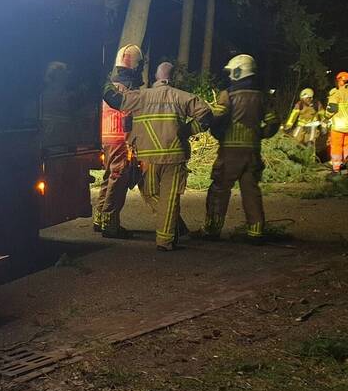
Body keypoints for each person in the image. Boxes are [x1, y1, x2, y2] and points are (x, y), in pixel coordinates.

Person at [102, 61, 212, 250]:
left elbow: (115, 100)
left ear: (155, 77)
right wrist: (187, 130)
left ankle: (168, 236)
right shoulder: (183, 97)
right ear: (173, 77)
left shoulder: (141, 96)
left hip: (148, 158)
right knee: (169, 198)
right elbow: (207, 116)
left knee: (150, 193)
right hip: (174, 157)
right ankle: (166, 240)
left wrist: (102, 80)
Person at [202, 54, 280, 243]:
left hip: (229, 151)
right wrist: (259, 134)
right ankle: (256, 232)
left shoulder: (228, 95)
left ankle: (212, 230)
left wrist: (218, 133)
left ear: (238, 72)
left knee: (219, 189)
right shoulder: (261, 96)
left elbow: (217, 119)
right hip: (252, 151)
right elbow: (273, 122)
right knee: (251, 191)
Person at [93, 44, 143, 238]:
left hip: (104, 138)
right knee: (118, 179)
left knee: (109, 177)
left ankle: (99, 219)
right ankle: (110, 223)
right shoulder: (130, 89)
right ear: (137, 66)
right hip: (120, 139)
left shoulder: (112, 86)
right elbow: (129, 118)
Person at [326, 70, 348, 175]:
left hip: (339, 127)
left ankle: (336, 168)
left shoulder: (336, 94)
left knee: (336, 146)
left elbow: (331, 109)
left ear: (340, 81)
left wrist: (326, 117)